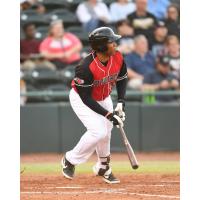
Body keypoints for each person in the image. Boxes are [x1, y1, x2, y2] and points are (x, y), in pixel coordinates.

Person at [61, 27, 128, 184]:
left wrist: (120, 103)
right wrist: (109, 115)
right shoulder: (84, 67)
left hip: (104, 97)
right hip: (82, 99)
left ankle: (103, 166)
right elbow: (86, 98)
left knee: (107, 131)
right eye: (112, 42)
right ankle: (70, 159)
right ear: (102, 46)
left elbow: (122, 78)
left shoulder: (117, 57)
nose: (116, 45)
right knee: (98, 131)